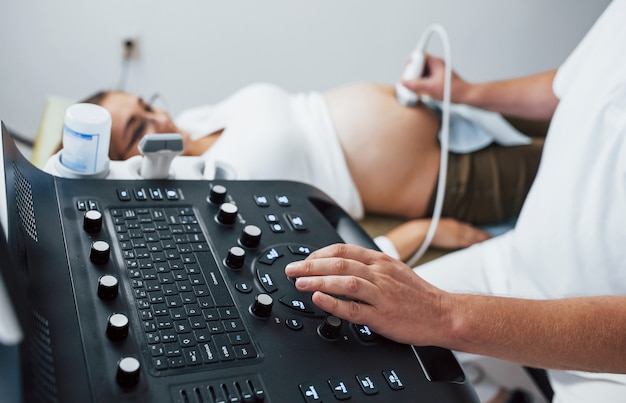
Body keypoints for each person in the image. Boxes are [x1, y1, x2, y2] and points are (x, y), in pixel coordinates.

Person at [285, 1, 626, 403]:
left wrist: (443, 315)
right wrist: (471, 93)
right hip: (518, 261)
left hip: (611, 366)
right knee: (358, 335)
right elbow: (571, 83)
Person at [64, 82, 542, 260]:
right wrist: (410, 237)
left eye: (147, 104)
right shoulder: (203, 189)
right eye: (138, 127)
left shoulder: (195, 118)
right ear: (128, 163)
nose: (159, 118)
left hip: (447, 107)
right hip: (449, 177)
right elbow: (302, 257)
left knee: (588, 100)